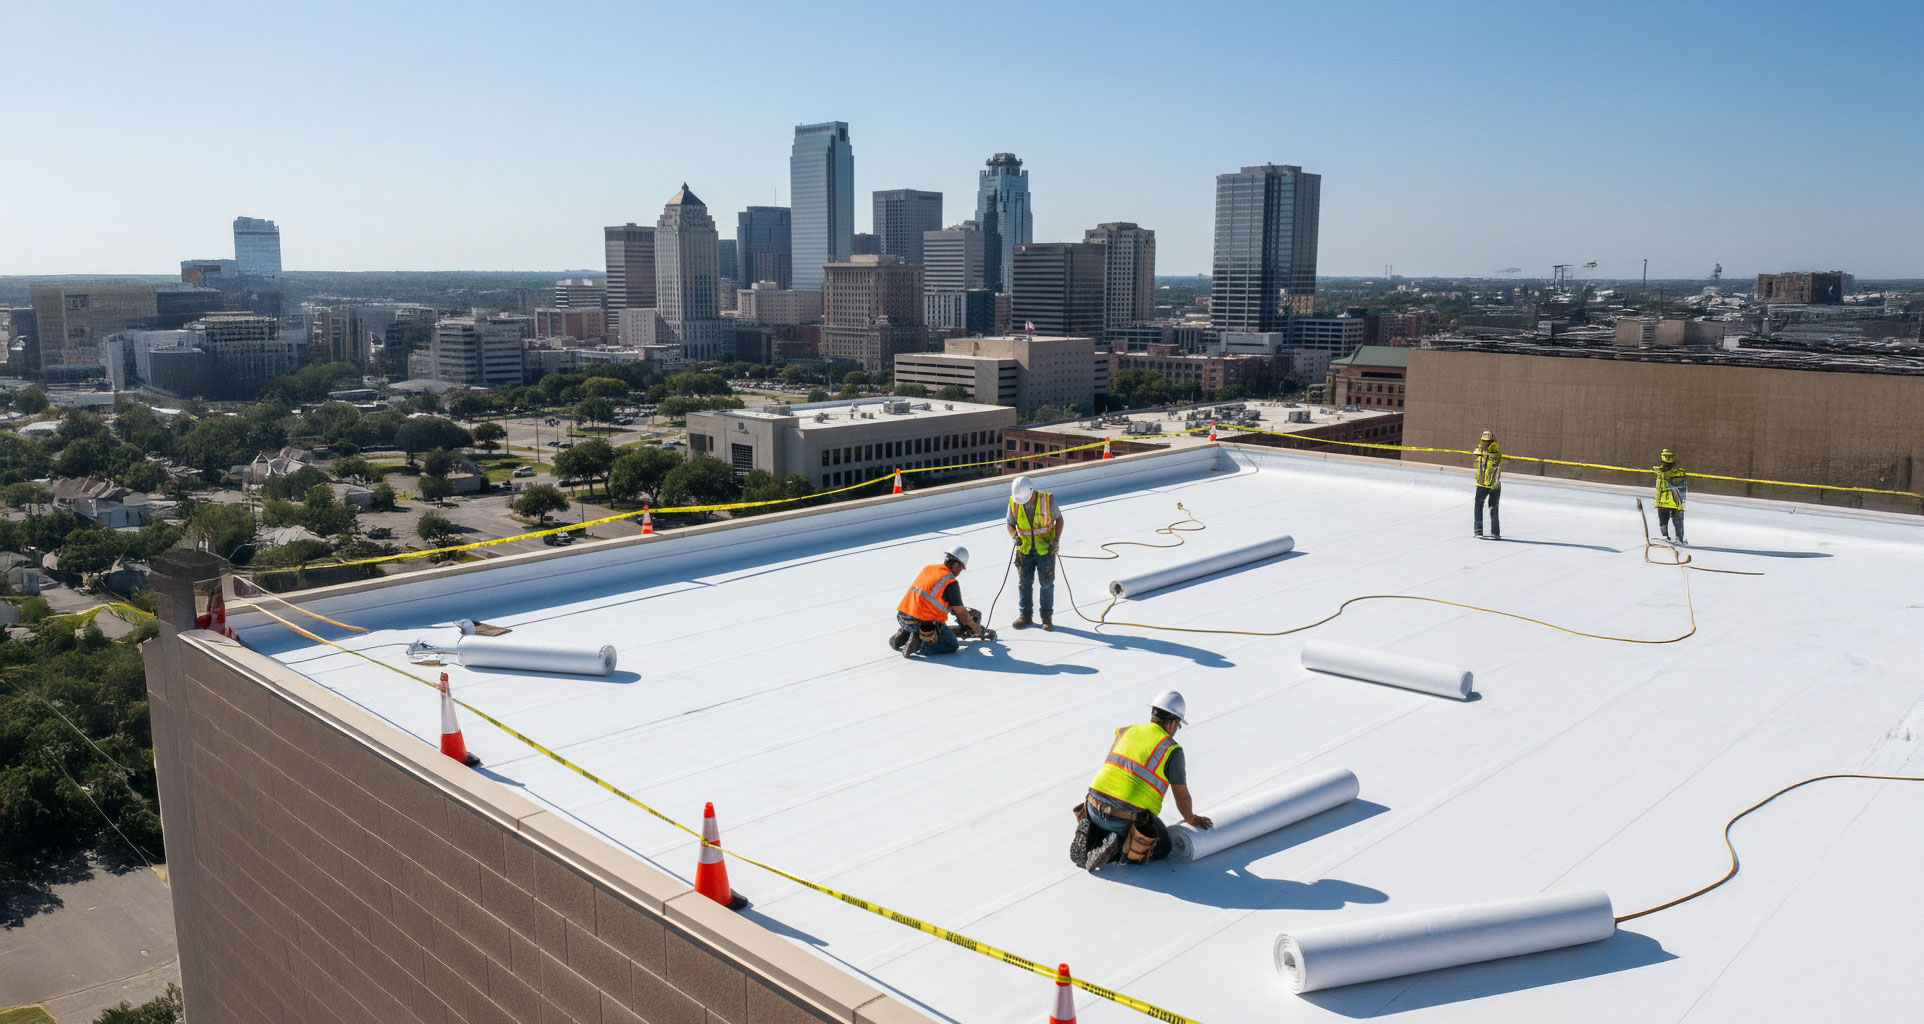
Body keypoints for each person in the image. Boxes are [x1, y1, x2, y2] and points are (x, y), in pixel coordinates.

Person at [1071, 690, 1213, 872]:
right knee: (1162, 847)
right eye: (1178, 726)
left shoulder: (1126, 731)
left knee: (1110, 817)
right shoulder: (1171, 749)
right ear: (1173, 723)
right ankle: (1117, 847)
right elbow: (1182, 797)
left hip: (1090, 806)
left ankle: (1094, 833)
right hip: (1123, 819)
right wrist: (1191, 818)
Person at [891, 544, 987, 658]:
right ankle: (920, 643)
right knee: (951, 644)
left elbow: (933, 598)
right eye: (961, 568)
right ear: (956, 565)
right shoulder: (951, 582)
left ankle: (907, 632)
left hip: (902, 617)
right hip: (920, 623)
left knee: (934, 624)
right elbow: (961, 612)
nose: (960, 572)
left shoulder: (928, 568)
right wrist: (974, 627)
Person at [1005, 475, 1064, 630]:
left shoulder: (1047, 500)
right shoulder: (1014, 502)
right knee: (1024, 583)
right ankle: (1025, 615)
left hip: (1045, 549)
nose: (1024, 503)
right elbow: (1010, 524)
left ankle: (1046, 617)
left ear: (1032, 491)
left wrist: (1056, 540)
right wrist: (1014, 536)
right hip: (1024, 549)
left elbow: (1060, 520)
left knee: (1046, 583)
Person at [1473, 430, 1502, 540]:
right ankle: (1484, 531)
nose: (1485, 444)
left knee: (1489, 507)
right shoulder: (1481, 452)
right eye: (1484, 441)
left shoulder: (1491, 454)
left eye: (1487, 442)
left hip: (1488, 484)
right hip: (1487, 484)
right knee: (1486, 507)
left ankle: (1489, 532)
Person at [1655, 448, 1687, 544]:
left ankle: (1672, 538)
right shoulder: (1663, 472)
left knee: (1667, 521)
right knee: (1675, 521)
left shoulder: (1664, 473)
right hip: (1673, 502)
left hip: (1667, 502)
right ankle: (1676, 538)